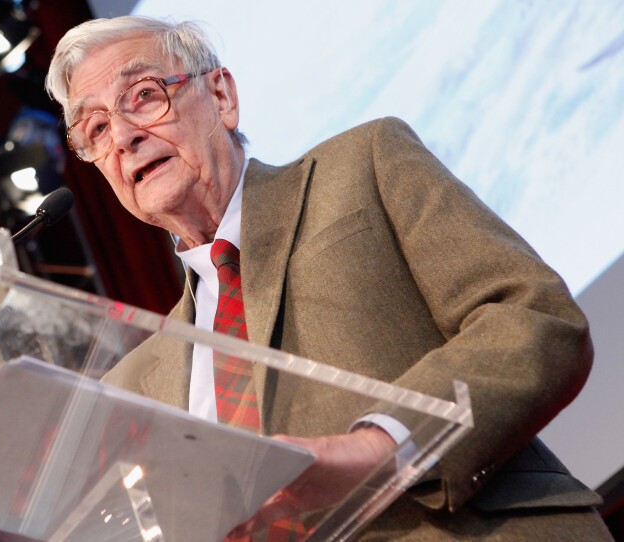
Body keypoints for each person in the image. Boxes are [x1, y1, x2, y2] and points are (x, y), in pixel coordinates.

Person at [45, 15, 613, 541]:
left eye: (143, 96)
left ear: (221, 95)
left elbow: (533, 318)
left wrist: (376, 447)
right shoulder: (132, 382)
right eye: (95, 128)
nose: (122, 137)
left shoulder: (363, 166)